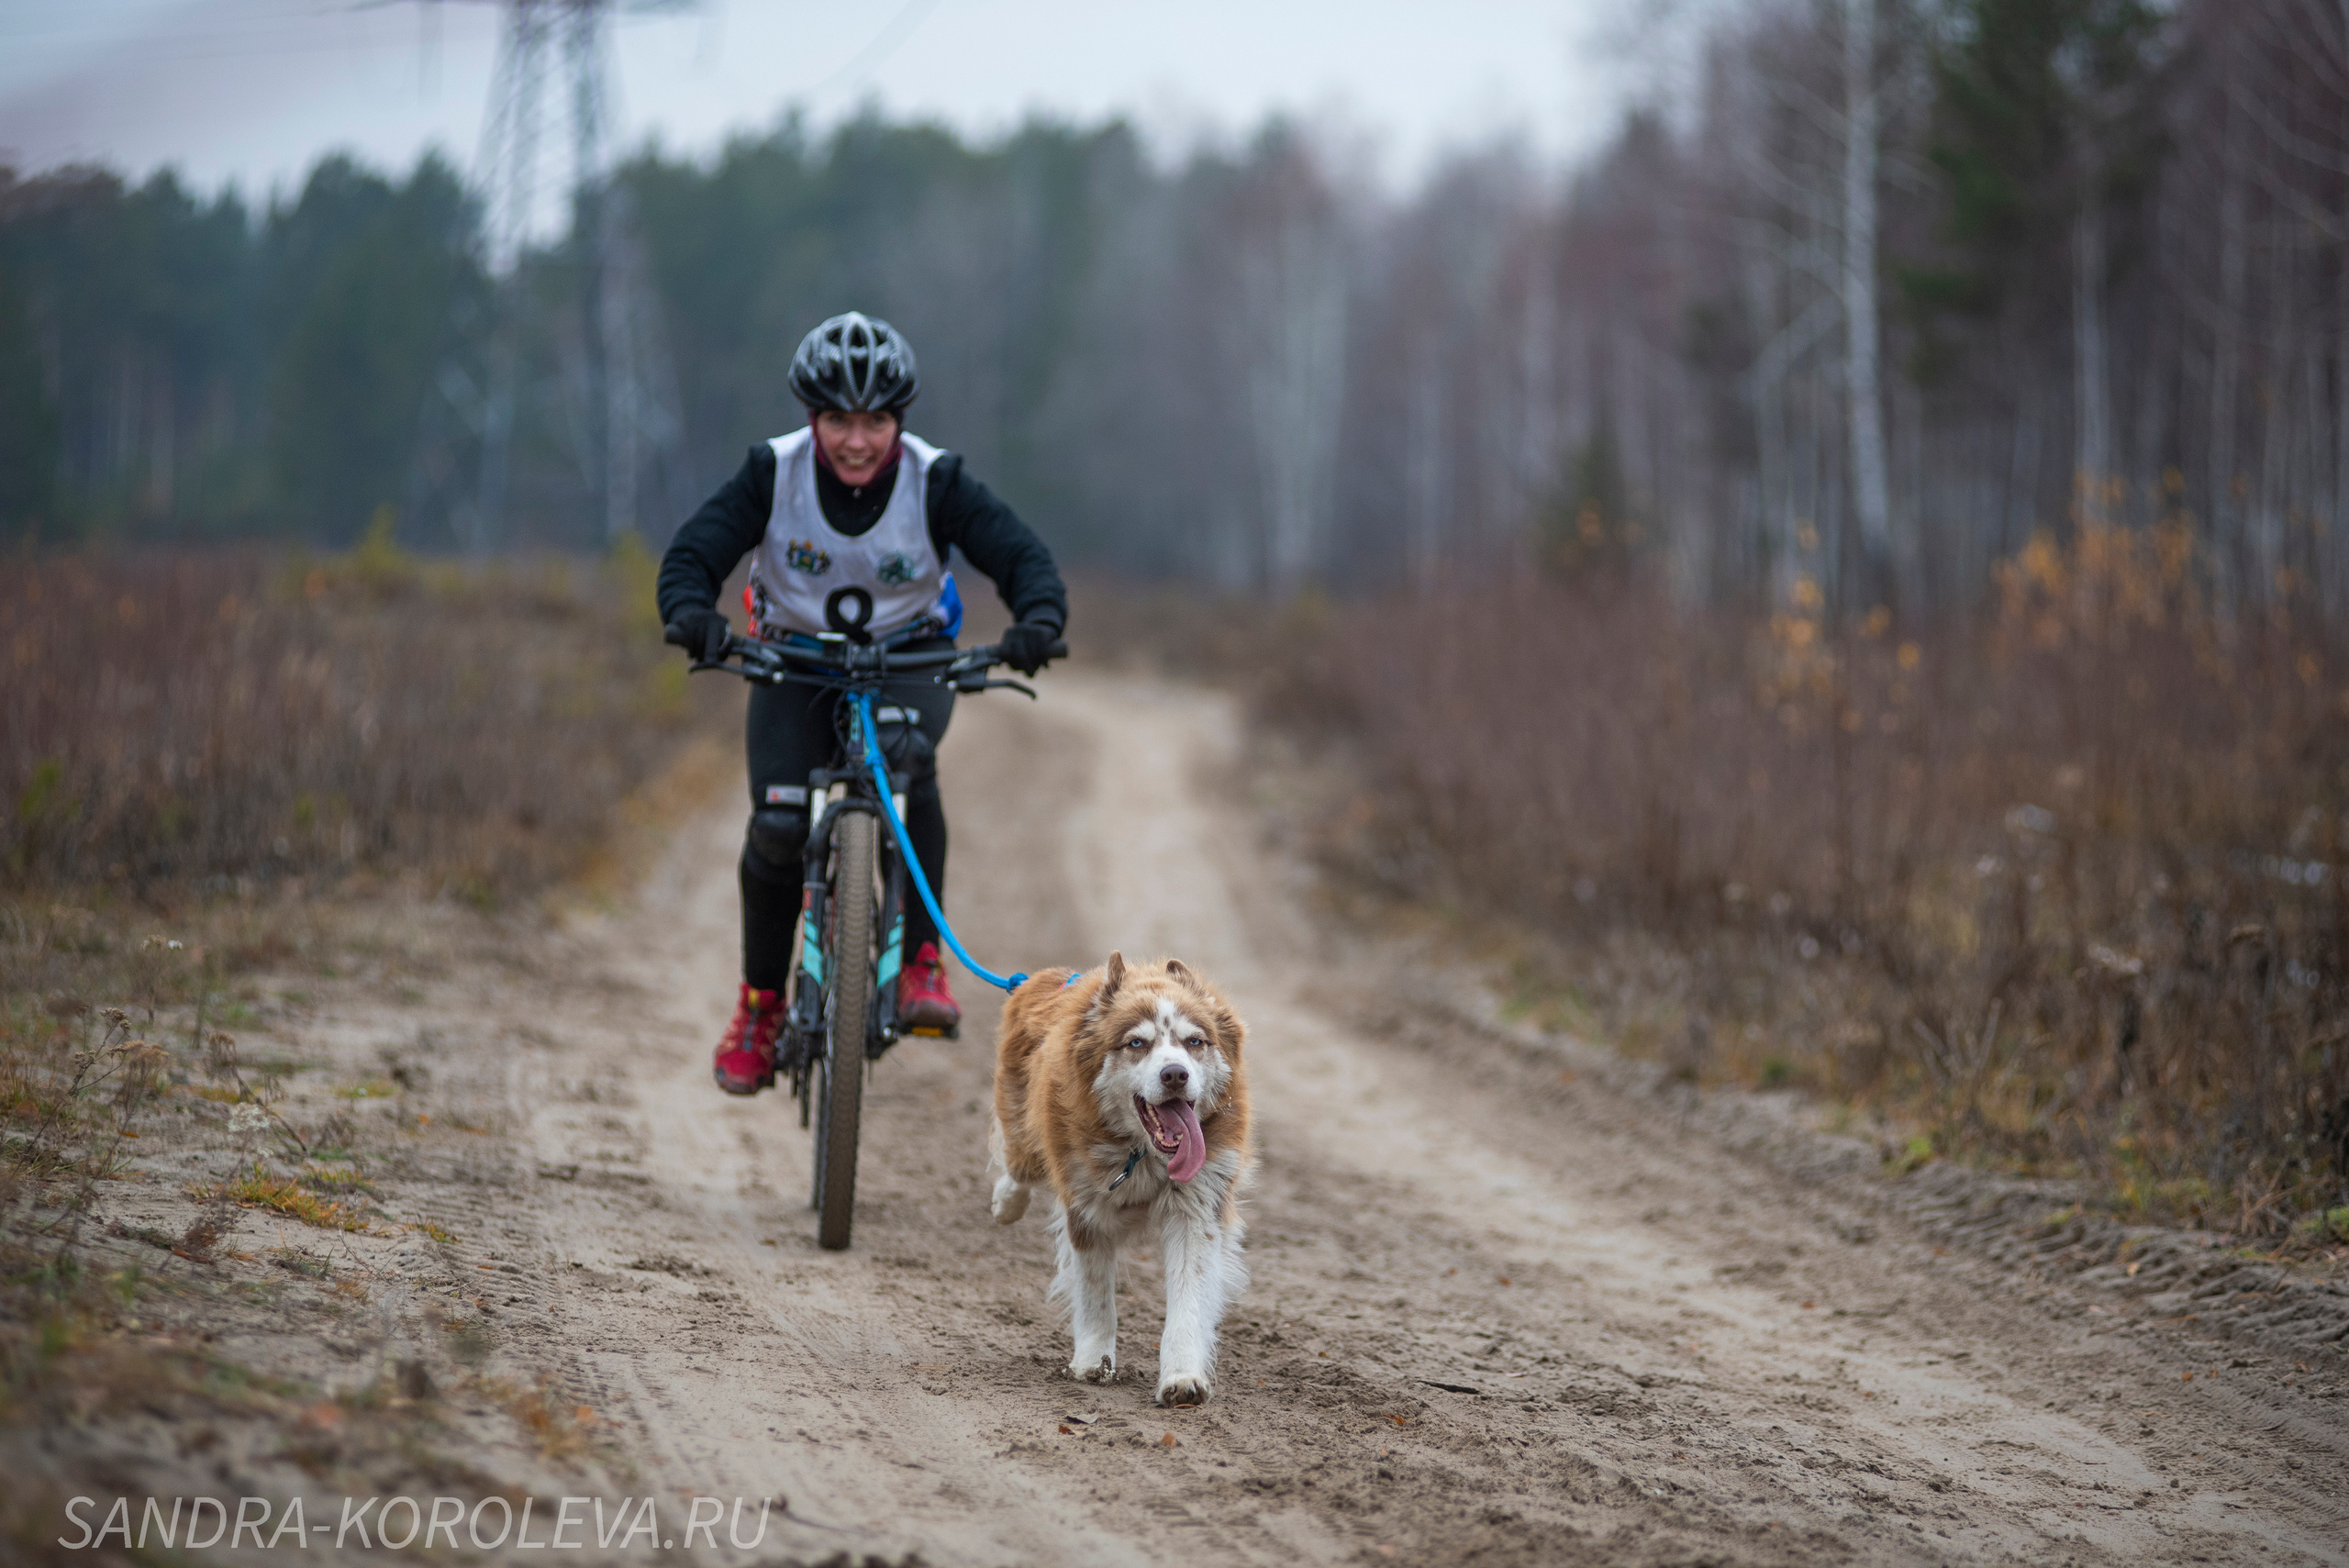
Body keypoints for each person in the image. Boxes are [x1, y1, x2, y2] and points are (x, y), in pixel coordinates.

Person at [657, 312, 1067, 1095]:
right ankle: (760, 1008)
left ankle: (920, 962)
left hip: (908, 659)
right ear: (811, 417)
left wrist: (1038, 620)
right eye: (838, 420)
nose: (856, 440)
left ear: (899, 419)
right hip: (793, 661)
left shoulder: (936, 479)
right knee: (779, 824)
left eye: (875, 420)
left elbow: (1022, 557)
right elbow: (693, 554)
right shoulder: (771, 473)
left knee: (906, 761)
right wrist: (691, 612)